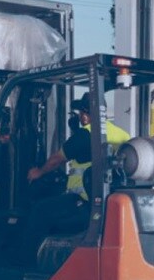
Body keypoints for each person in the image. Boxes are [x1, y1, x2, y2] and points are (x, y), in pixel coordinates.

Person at [17, 92, 130, 266]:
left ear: (85, 114)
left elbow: (56, 160)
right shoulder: (123, 135)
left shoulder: (86, 134)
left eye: (80, 113)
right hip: (109, 203)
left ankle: (25, 264)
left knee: (40, 211)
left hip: (84, 202)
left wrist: (38, 172)